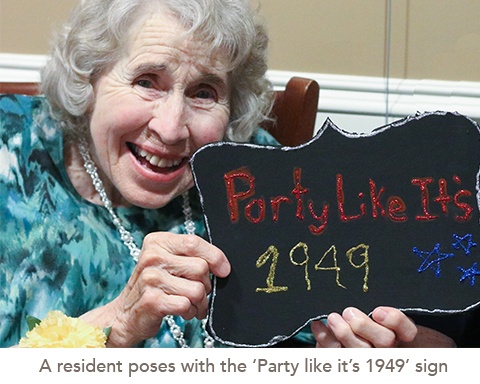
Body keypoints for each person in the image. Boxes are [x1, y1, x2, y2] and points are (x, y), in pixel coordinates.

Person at [0, 0, 462, 348]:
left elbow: (431, 342)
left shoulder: (260, 178)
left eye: (204, 92)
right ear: (89, 79)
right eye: (146, 81)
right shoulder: (12, 154)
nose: (170, 127)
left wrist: (389, 350)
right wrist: (117, 323)